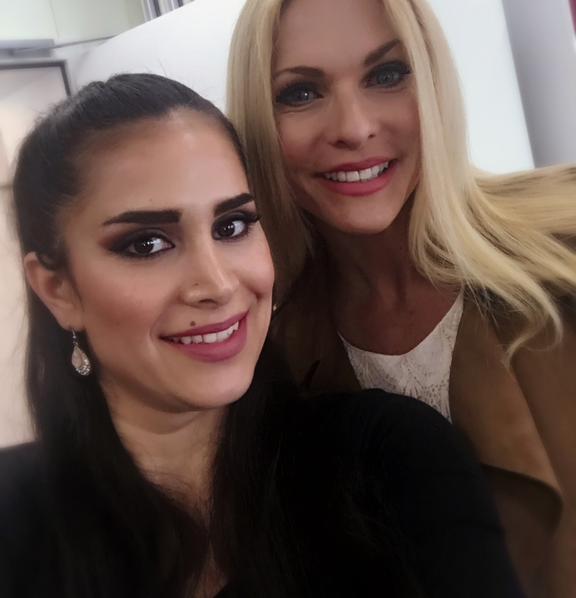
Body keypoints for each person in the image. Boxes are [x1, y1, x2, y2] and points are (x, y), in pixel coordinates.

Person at [0, 73, 523, 598]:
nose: (219, 285)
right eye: (147, 244)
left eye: (231, 226)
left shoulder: (390, 463)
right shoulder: (15, 521)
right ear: (58, 290)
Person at [226, 0, 576, 597]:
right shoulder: (273, 356)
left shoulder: (564, 241)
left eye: (386, 75)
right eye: (300, 92)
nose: (354, 127)